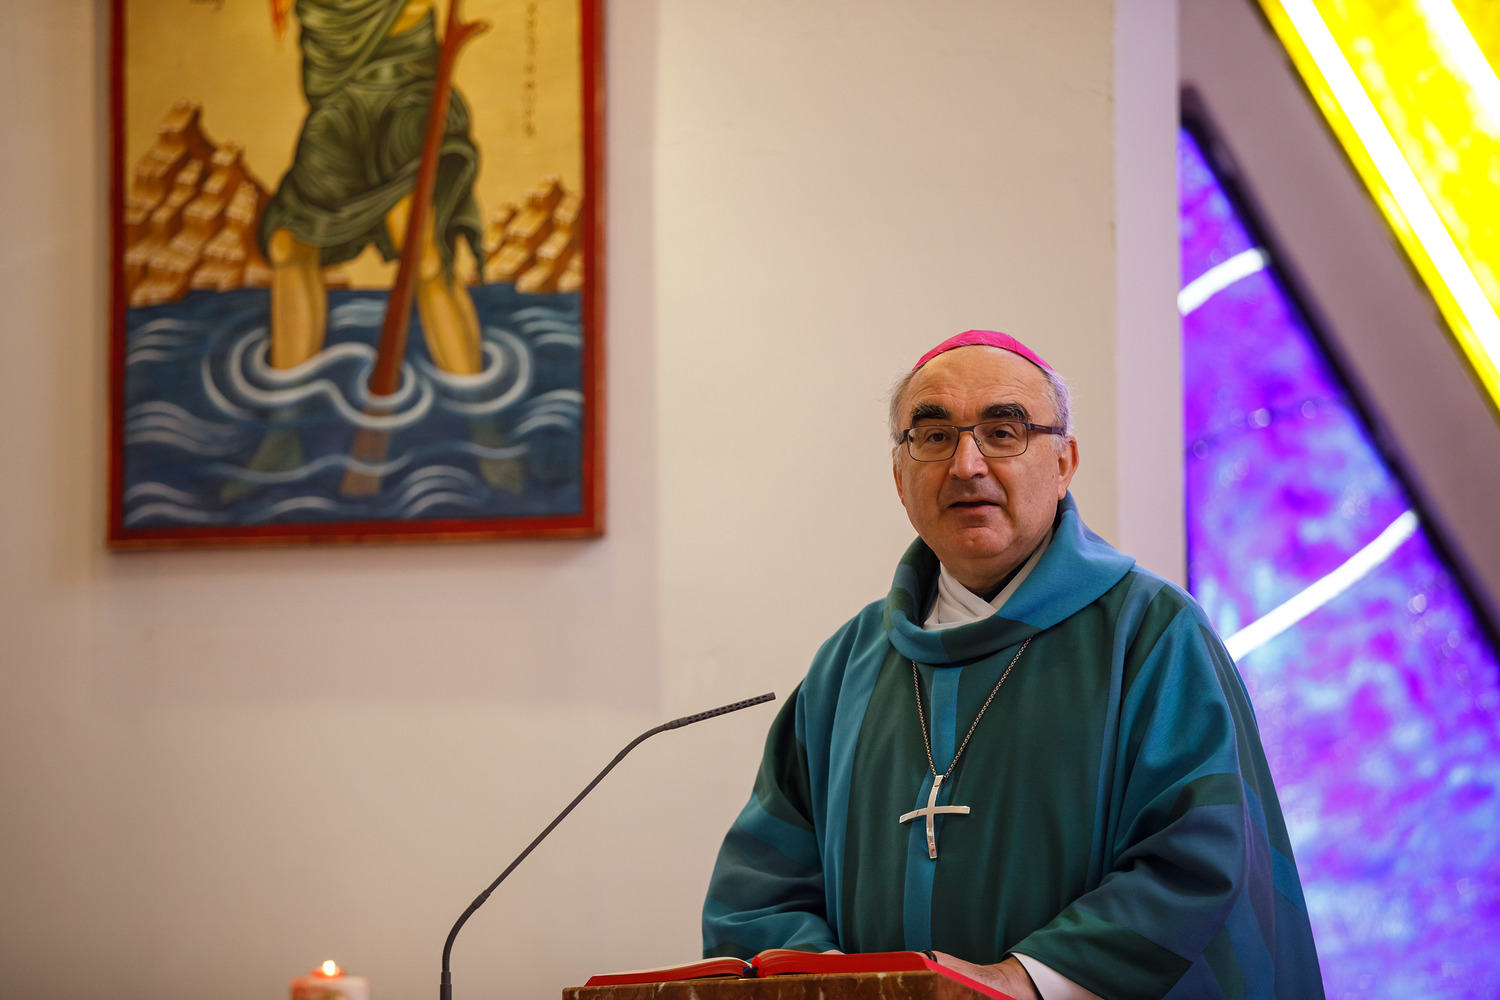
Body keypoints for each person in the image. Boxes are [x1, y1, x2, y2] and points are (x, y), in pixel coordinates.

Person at [701, 331, 1324, 1000]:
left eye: (1004, 432)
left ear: (1063, 463)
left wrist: (1022, 980)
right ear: (899, 477)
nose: (966, 465)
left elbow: (1198, 854)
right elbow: (760, 888)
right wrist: (839, 986)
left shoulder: (1150, 635)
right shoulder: (846, 665)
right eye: (934, 437)